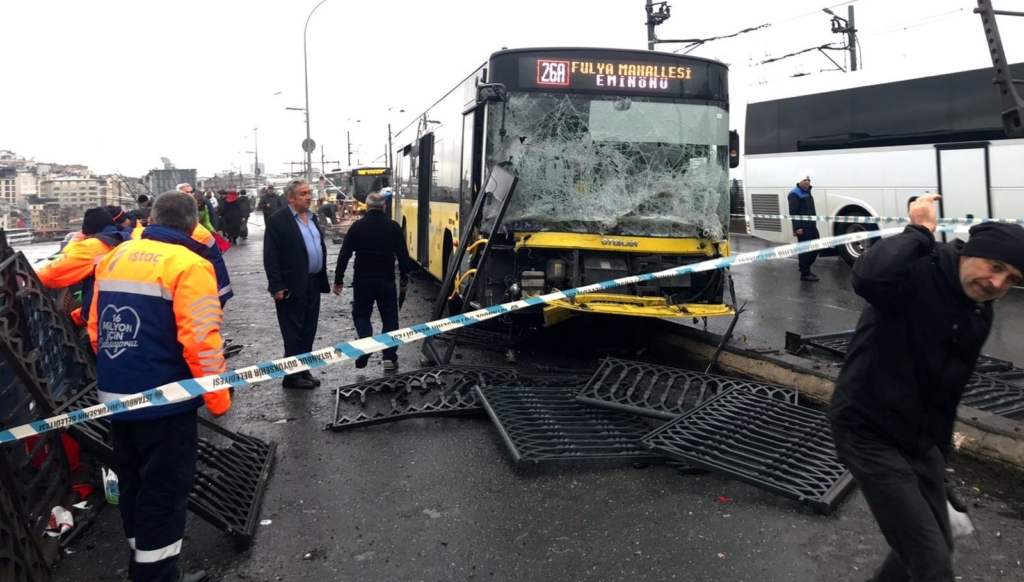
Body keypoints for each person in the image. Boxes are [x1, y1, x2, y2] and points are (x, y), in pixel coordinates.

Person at [829, 194, 1024, 582]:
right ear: (972, 252)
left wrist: (937, 450)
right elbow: (868, 276)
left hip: (918, 441)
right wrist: (918, 231)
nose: (997, 283)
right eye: (995, 266)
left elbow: (947, 387)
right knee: (930, 560)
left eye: (1013, 280)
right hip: (867, 428)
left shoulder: (978, 312)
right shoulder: (918, 271)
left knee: (937, 544)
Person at [88, 191, 231, 582]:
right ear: (192, 224)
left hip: (115, 397)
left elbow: (95, 328)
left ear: (151, 218)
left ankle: (141, 563)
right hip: (164, 400)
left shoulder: (115, 256)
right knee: (165, 489)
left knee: (133, 482)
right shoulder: (190, 264)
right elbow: (201, 340)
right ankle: (159, 575)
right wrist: (218, 397)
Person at [332, 192, 415, 371]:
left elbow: (344, 254)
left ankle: (366, 338)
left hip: (362, 280)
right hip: (386, 280)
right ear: (384, 208)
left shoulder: (357, 227)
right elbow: (403, 255)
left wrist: (338, 279)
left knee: (361, 314)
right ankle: (389, 358)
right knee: (390, 317)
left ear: (367, 207)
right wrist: (404, 277)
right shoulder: (393, 227)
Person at [263, 180, 328, 389]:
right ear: (290, 198)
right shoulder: (278, 220)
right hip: (291, 285)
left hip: (313, 282)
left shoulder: (312, 217)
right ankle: (291, 376)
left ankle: (303, 368)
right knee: (293, 332)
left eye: (309, 193)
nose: (308, 197)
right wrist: (276, 285)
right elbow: (271, 256)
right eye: (303, 194)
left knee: (309, 329)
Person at [37, 207, 132, 326]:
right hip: (128, 317)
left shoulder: (91, 247)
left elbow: (50, 276)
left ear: (89, 233)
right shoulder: (129, 243)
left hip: (103, 325)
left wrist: (25, 276)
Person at [789, 171, 820, 282]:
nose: (807, 182)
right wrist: (797, 228)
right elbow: (793, 212)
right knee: (805, 250)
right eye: (805, 180)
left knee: (817, 247)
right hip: (803, 227)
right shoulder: (795, 193)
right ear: (800, 181)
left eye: (808, 180)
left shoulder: (807, 192)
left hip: (811, 225)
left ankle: (806, 267)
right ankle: (805, 273)